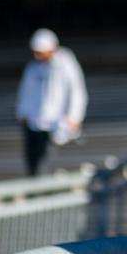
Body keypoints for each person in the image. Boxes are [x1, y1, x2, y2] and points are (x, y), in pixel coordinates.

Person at [16, 28, 87, 177]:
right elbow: (25, 91)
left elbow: (77, 90)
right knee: (32, 162)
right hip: (34, 122)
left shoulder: (65, 63)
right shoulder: (33, 68)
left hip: (56, 122)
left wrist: (74, 116)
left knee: (46, 161)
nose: (37, 55)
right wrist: (22, 113)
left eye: (40, 52)